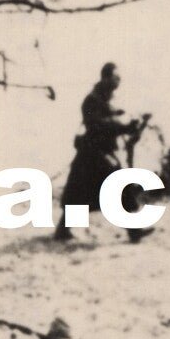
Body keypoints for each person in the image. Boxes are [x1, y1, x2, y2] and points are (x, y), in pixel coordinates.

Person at [56, 62, 147, 238]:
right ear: (105, 78)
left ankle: (63, 231)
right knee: (112, 187)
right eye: (115, 77)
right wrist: (124, 126)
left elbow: (112, 122)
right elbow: (98, 125)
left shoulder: (107, 99)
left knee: (80, 193)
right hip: (93, 154)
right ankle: (134, 231)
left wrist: (131, 126)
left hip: (97, 155)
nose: (118, 81)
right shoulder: (92, 100)